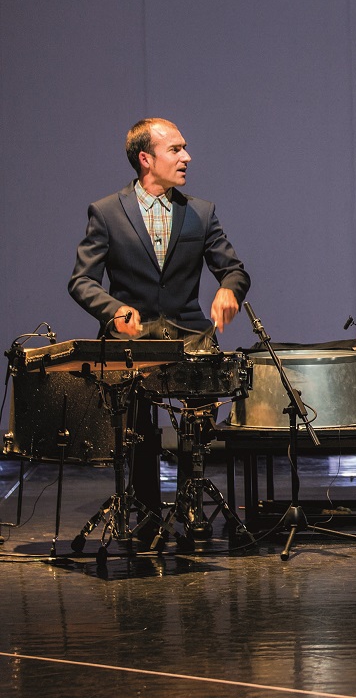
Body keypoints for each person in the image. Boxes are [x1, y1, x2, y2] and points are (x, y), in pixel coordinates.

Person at [68, 117, 250, 533]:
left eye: (184, 149)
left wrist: (229, 291)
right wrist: (113, 310)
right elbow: (81, 281)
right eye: (176, 149)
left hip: (189, 334)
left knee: (196, 423)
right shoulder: (107, 212)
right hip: (134, 337)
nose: (186, 157)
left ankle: (191, 505)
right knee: (139, 429)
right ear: (146, 159)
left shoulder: (200, 213)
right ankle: (146, 508)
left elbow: (234, 269)